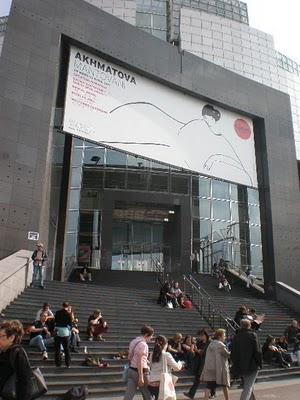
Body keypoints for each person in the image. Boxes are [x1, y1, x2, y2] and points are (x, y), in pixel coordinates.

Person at [0, 320, 32, 400]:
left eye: (1, 336)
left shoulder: (18, 353)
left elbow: (25, 382)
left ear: (11, 338)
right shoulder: (4, 352)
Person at [231, 319, 262, 400]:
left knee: (248, 385)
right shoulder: (253, 335)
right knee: (248, 388)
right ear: (249, 325)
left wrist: (235, 364)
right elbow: (258, 351)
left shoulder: (236, 337)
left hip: (241, 365)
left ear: (241, 325)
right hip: (252, 365)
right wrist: (259, 363)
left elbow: (233, 353)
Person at [123, 325, 154, 400]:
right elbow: (139, 361)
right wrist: (141, 377)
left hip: (131, 370)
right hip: (141, 371)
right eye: (151, 335)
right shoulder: (143, 345)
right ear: (146, 334)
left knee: (129, 394)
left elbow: (130, 357)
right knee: (147, 393)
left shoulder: (133, 341)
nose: (152, 337)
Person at [184, 329, 216, 400]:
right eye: (200, 335)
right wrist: (193, 349)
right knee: (197, 378)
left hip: (208, 363)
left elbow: (203, 352)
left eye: (202, 335)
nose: (200, 337)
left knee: (210, 379)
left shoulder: (210, 342)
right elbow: (195, 352)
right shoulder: (200, 342)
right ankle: (191, 394)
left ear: (206, 335)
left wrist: (196, 350)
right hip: (200, 363)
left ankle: (213, 393)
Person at [148, 335, 183, 400]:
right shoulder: (166, 354)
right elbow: (177, 368)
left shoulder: (152, 354)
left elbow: (150, 366)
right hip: (162, 383)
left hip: (151, 383)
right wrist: (180, 363)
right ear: (165, 345)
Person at [200, 328, 231, 400]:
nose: (225, 337)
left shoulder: (211, 343)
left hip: (210, 367)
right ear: (220, 337)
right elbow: (227, 355)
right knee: (225, 384)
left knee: (209, 386)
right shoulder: (220, 345)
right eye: (224, 336)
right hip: (219, 368)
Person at [54, 301, 73, 368]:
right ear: (67, 306)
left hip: (57, 330)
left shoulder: (57, 312)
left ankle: (58, 363)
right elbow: (70, 324)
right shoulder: (68, 314)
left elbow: (55, 321)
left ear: (62, 305)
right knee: (66, 348)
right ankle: (68, 364)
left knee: (57, 348)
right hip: (65, 331)